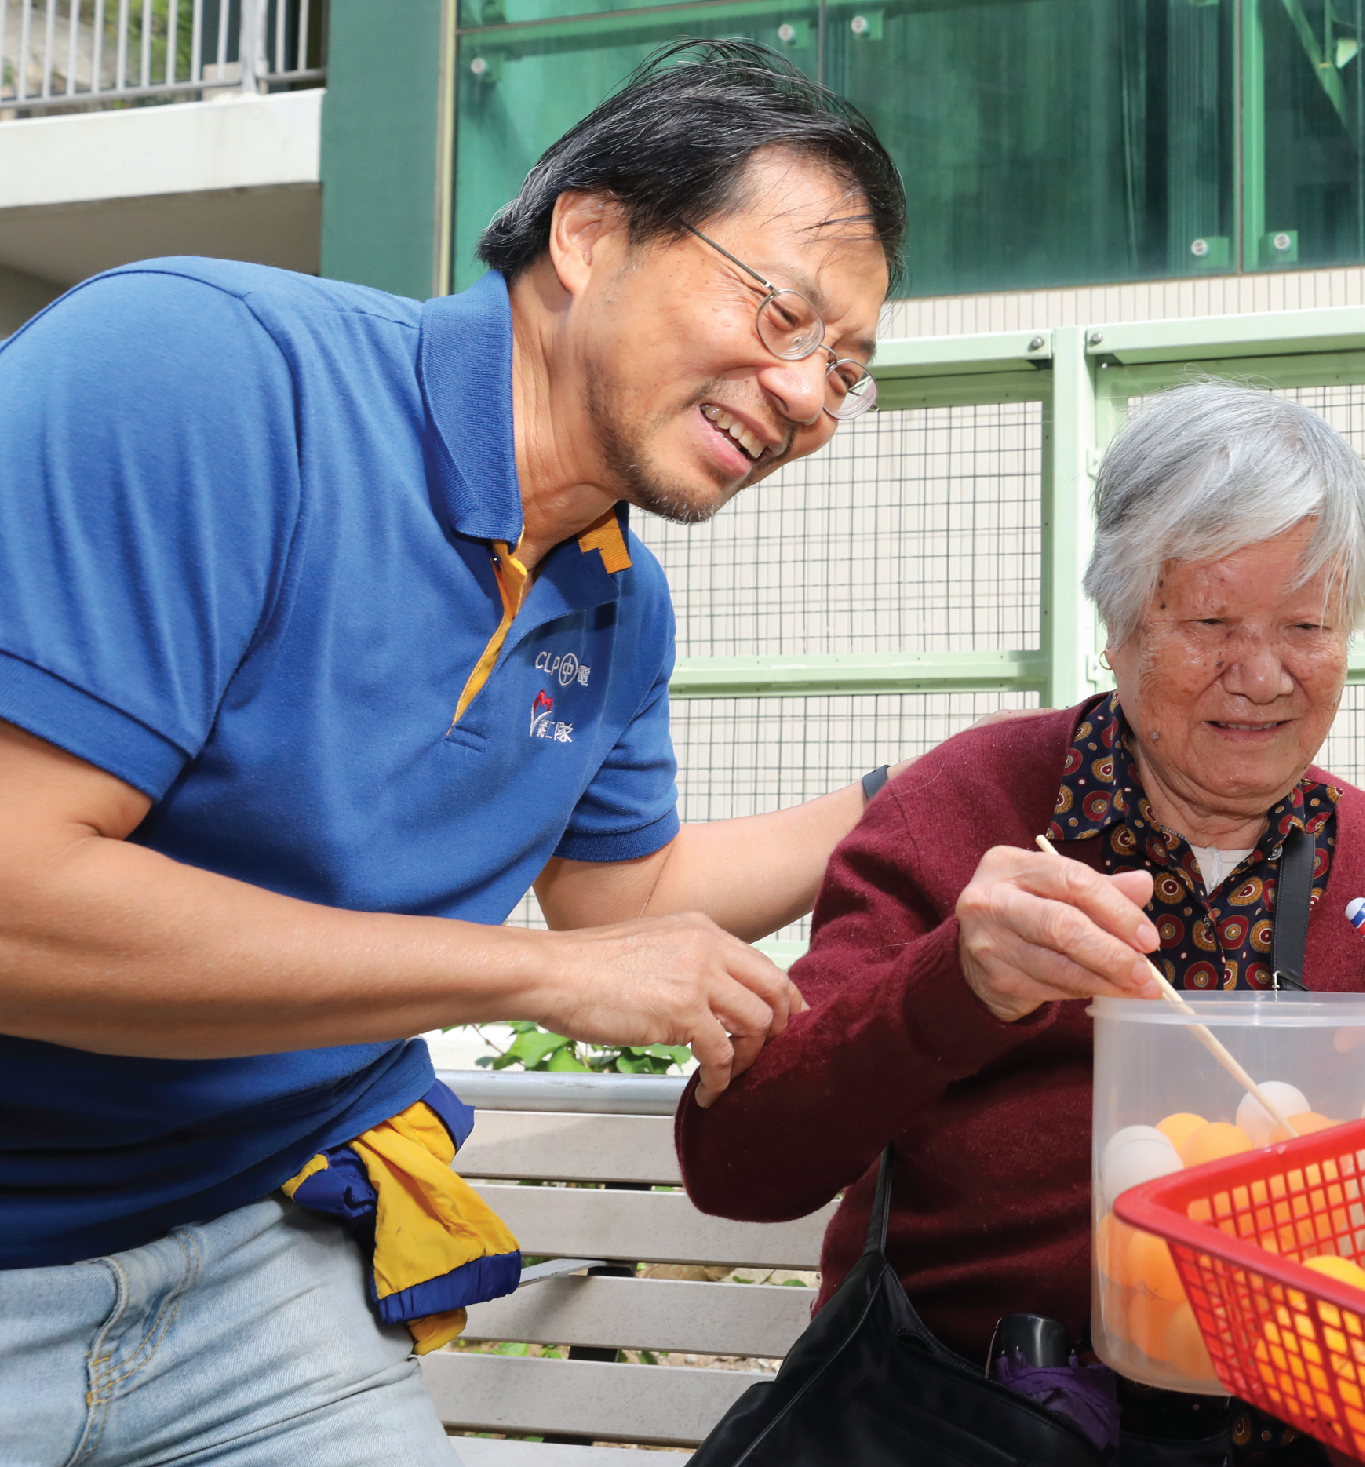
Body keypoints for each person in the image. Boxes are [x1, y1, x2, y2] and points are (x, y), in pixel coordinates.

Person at [0, 41, 921, 1467]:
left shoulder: (619, 596)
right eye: (781, 311)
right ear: (589, 231)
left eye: (843, 369)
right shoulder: (201, 375)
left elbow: (627, 899)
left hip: (254, 1251)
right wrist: (539, 975)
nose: (805, 394)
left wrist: (915, 800)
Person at [676, 381, 1365, 1465]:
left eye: (1307, 627)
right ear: (1116, 621)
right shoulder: (963, 811)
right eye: (1211, 623)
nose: (1263, 673)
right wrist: (957, 985)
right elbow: (737, 1164)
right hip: (965, 1425)